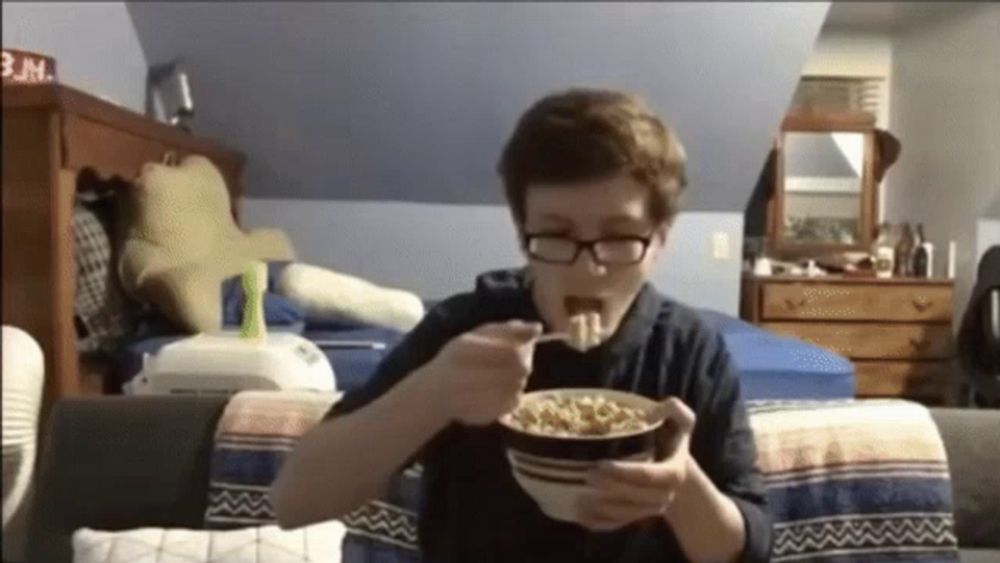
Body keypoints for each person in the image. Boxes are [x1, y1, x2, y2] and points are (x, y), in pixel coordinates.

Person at [272, 88, 772, 562]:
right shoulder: (467, 329)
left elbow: (744, 547)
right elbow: (295, 502)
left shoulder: (689, 349)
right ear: (521, 231)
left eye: (620, 237)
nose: (588, 268)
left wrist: (680, 484)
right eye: (556, 234)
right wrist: (433, 393)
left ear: (659, 240)